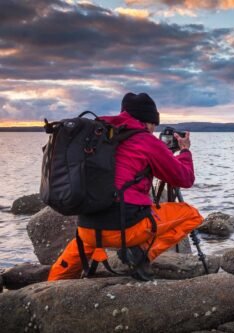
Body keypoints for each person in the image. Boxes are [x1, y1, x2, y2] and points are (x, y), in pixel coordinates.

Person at [48, 92, 203, 281]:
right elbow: (185, 178)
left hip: (87, 226)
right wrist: (185, 151)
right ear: (147, 121)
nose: (153, 130)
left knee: (77, 251)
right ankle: (141, 254)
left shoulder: (100, 135)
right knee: (192, 214)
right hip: (126, 229)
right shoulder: (146, 141)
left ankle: (48, 288)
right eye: (153, 125)